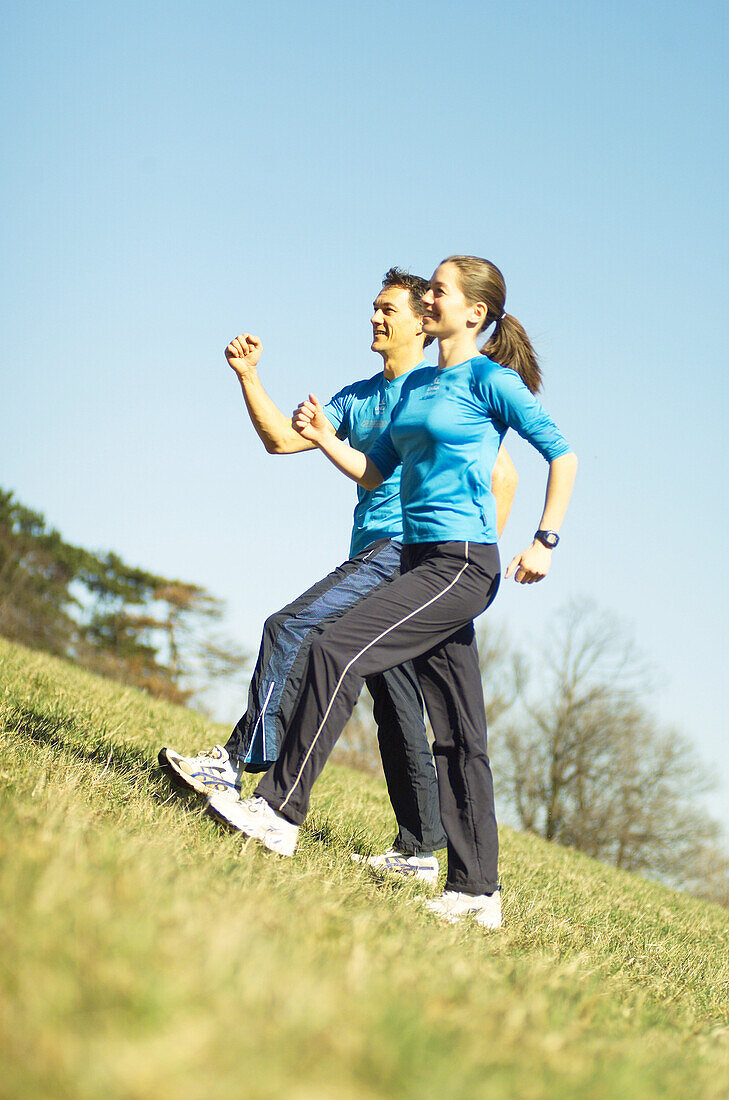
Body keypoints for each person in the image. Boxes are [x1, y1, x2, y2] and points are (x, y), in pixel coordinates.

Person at [206, 255, 577, 931]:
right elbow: (377, 470)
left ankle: (279, 813)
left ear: (474, 312)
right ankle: (474, 891)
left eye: (438, 291)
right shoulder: (418, 387)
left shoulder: (489, 381)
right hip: (419, 560)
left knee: (334, 648)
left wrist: (543, 541)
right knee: (460, 734)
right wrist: (322, 439)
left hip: (462, 564)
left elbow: (561, 454)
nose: (426, 299)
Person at [160, 266, 518, 885]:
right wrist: (249, 378)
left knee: (293, 628)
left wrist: (465, 571)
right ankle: (419, 850)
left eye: (389, 308)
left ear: (419, 321)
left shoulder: (444, 392)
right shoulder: (361, 396)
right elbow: (280, 439)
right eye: (373, 308)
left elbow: (504, 475)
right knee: (397, 700)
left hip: (407, 556)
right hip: (385, 557)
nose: (376, 318)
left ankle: (237, 763)